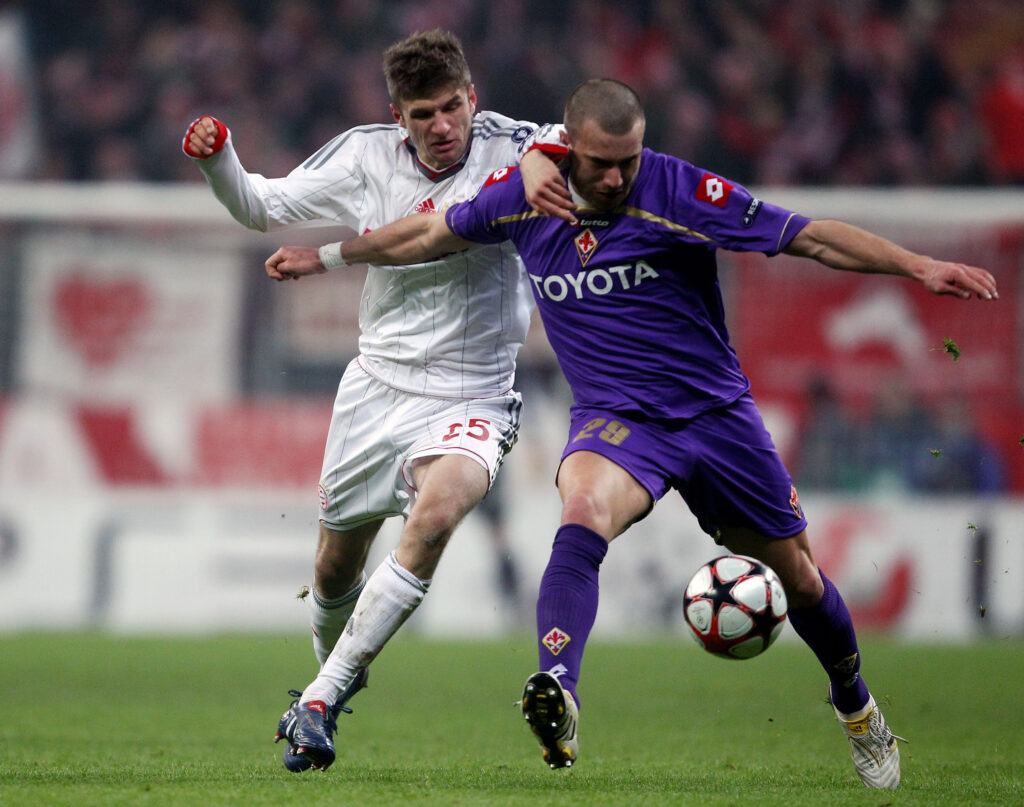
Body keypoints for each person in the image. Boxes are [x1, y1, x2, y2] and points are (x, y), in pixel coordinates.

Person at [265, 79, 999, 789]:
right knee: (579, 512)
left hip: (715, 418)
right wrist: (325, 256)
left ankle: (858, 707)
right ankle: (558, 686)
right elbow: (426, 231)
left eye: (630, 160)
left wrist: (919, 265)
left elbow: (806, 238)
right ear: (566, 147)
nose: (617, 176)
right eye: (601, 163)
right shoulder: (526, 200)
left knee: (800, 577)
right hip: (617, 422)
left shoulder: (679, 191)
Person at [183, 29, 566, 772]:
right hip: (377, 388)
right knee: (332, 568)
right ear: (399, 116)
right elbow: (260, 205)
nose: (442, 125)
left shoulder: (518, 146)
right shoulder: (362, 155)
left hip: (474, 392)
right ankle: (334, 683)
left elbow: (576, 147)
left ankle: (319, 699)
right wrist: (216, 159)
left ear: (472, 97)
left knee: (437, 512)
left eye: (453, 106)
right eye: (424, 114)